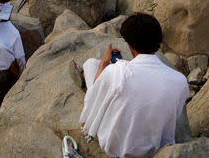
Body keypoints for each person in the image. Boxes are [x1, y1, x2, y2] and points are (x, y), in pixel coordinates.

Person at [78, 13, 188, 158]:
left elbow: (93, 103)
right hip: (157, 150)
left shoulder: (118, 70)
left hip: (117, 148)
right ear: (158, 41)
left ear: (129, 44)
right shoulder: (180, 80)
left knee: (91, 64)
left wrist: (104, 65)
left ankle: (85, 75)